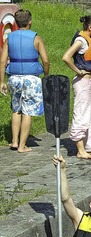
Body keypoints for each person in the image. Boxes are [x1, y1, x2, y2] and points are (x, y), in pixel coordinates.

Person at [0, 9, 49, 153]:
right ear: (30, 22)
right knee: (27, 111)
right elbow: (46, 61)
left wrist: (1, 81)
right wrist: (46, 76)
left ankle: (14, 141)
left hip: (14, 78)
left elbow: (3, 61)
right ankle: (22, 146)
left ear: (15, 22)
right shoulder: (36, 38)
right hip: (31, 79)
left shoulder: (10, 38)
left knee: (16, 109)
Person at [62, 15, 91, 160]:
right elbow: (66, 57)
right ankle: (80, 150)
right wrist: (78, 71)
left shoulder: (89, 40)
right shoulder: (81, 40)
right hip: (82, 82)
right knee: (81, 115)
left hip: (89, 82)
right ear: (90, 27)